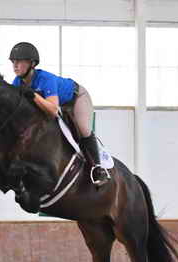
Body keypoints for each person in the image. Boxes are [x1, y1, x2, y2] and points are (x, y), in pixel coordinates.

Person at [9, 42, 110, 187]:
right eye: (13, 61)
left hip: (76, 98)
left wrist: (32, 95)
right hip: (58, 104)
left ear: (32, 63)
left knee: (83, 129)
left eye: (19, 61)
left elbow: (53, 110)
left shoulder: (46, 79)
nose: (15, 65)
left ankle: (98, 168)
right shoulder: (17, 82)